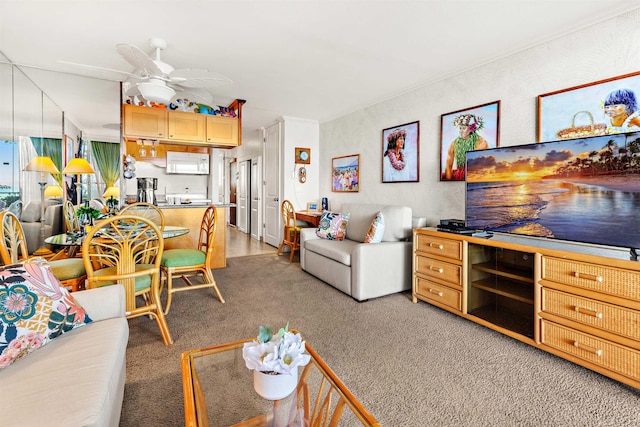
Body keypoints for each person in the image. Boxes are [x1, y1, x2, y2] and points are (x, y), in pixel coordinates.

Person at [443, 113, 488, 180]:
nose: (461, 131)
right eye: (460, 128)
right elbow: (448, 165)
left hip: (473, 175)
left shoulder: (481, 142)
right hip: (459, 174)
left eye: (464, 128)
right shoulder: (453, 143)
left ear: (471, 129)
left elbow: (481, 165)